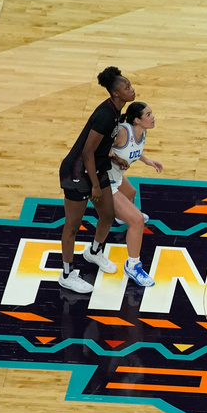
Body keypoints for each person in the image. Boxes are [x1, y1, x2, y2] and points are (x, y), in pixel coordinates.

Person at [57, 67, 136, 294]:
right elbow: (87, 152)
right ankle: (66, 274)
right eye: (127, 87)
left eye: (130, 85)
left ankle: (93, 252)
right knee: (72, 226)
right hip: (77, 172)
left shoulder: (115, 112)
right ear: (116, 93)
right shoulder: (104, 115)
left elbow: (102, 146)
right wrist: (93, 185)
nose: (132, 89)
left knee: (108, 215)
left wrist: (115, 157)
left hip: (96, 167)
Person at [109, 101, 163, 287]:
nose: (152, 117)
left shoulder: (142, 132)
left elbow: (134, 150)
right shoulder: (122, 131)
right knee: (138, 220)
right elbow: (97, 143)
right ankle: (133, 266)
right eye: (148, 114)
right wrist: (113, 156)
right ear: (137, 120)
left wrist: (148, 161)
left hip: (116, 177)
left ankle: (121, 217)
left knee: (131, 193)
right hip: (103, 181)